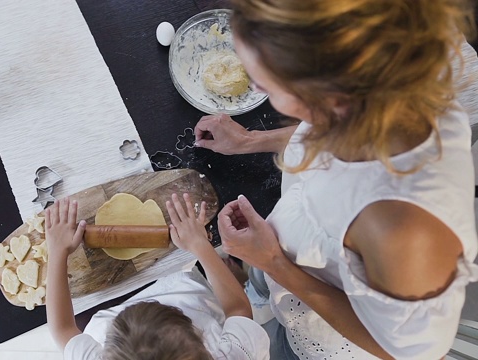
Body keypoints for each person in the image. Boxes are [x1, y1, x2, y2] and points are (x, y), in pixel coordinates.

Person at [193, 0, 478, 359]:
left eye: (262, 82)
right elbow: (325, 130)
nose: (254, 86)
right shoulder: (379, 86)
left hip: (329, 330)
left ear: (323, 93)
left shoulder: (404, 233)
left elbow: (408, 354)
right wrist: (250, 140)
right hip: (288, 267)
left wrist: (272, 262)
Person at [44, 195, 270, 359]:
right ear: (199, 340)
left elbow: (62, 328)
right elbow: (239, 309)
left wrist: (57, 251)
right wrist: (200, 244)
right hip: (186, 289)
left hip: (109, 303)